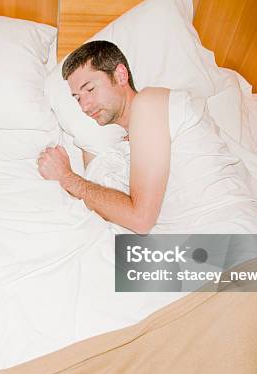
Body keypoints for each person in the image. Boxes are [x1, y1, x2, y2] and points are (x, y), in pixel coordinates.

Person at [37, 41, 170, 234]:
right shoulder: (125, 145)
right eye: (77, 98)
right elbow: (106, 201)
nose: (84, 106)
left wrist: (66, 177)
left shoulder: (150, 102)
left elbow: (141, 220)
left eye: (90, 89)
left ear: (121, 75)